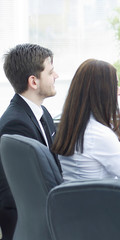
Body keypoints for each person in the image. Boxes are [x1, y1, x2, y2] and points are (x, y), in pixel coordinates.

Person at [0, 43, 61, 240]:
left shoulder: (42, 113)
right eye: (51, 72)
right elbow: (18, 193)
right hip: (31, 229)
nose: (56, 76)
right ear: (33, 82)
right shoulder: (15, 124)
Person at [51, 59, 120, 182]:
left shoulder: (71, 128)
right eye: (115, 85)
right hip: (100, 200)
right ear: (102, 92)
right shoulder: (99, 134)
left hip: (76, 199)